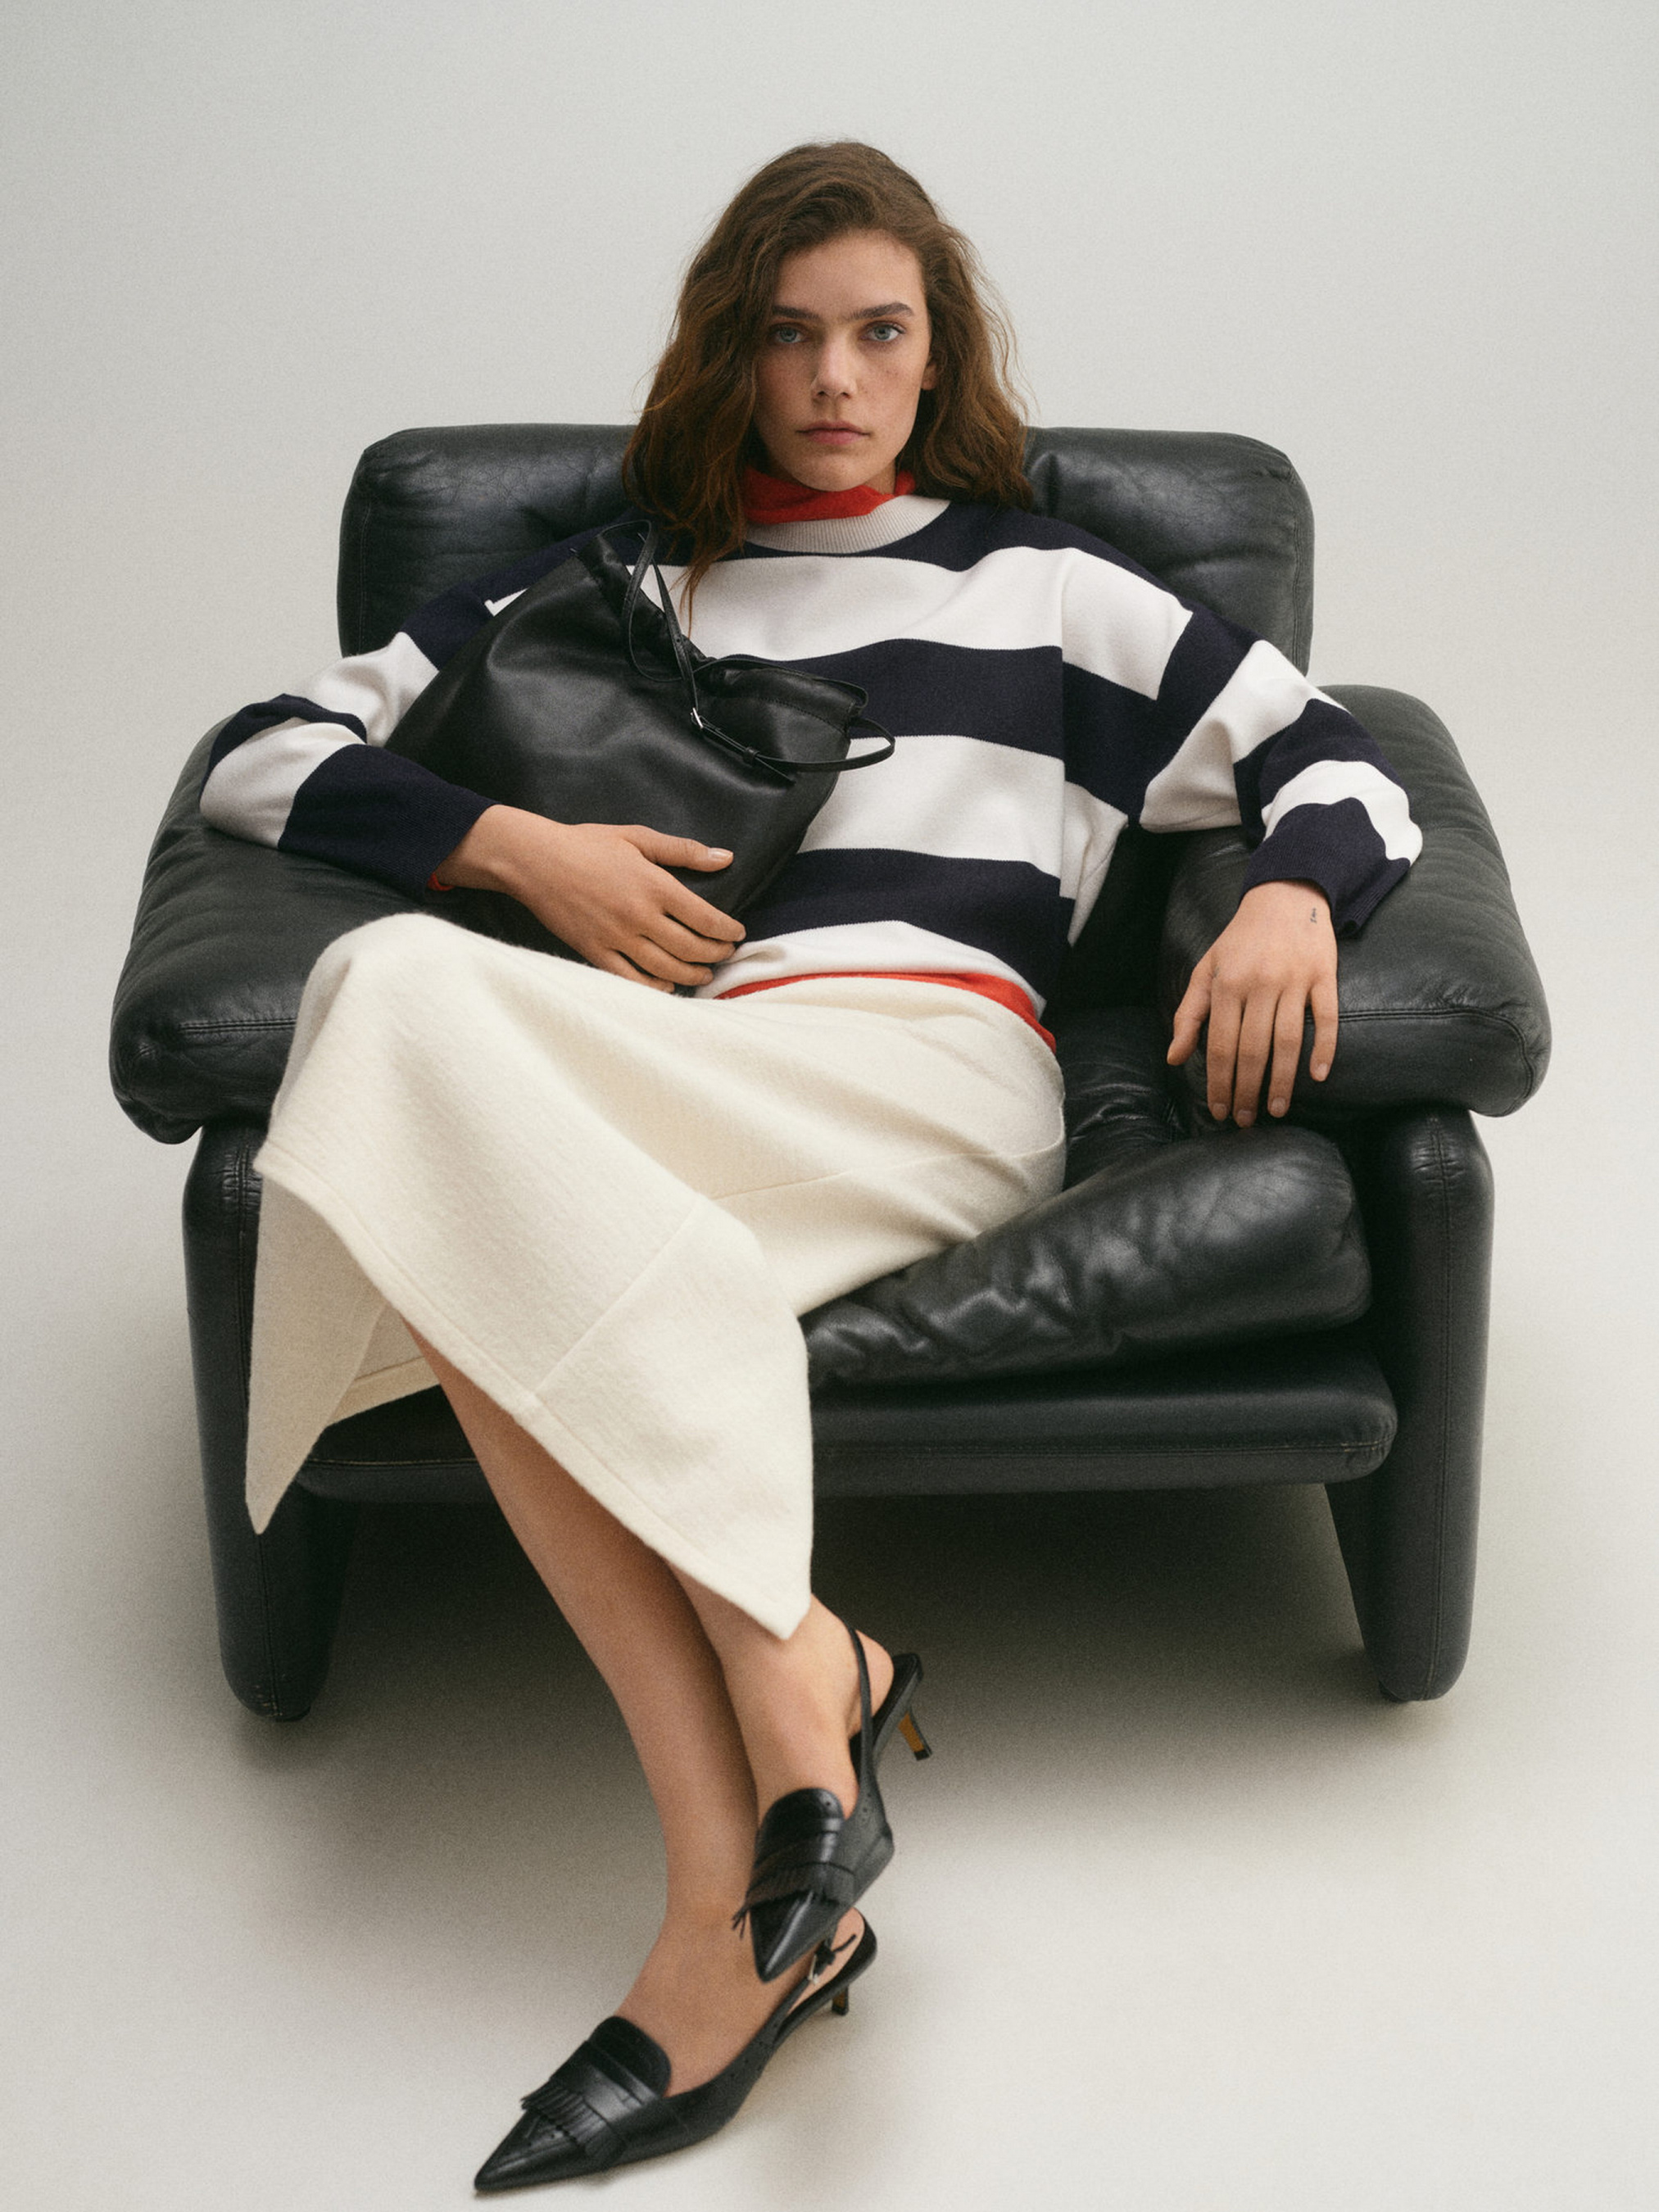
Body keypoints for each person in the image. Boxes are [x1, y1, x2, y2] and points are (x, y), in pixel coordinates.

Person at [201, 142, 1421, 2187]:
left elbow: (1342, 758)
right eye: (788, 336)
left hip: (927, 1064)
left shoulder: (1048, 585)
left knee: (447, 1211)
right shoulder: (620, 581)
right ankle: (765, 1825)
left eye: (878, 333)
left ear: (936, 355)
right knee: (394, 1001)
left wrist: (1293, 894)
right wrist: (518, 849)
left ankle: (755, 1820)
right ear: (732, 356)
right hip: (678, 1062)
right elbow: (254, 753)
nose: (835, 380)